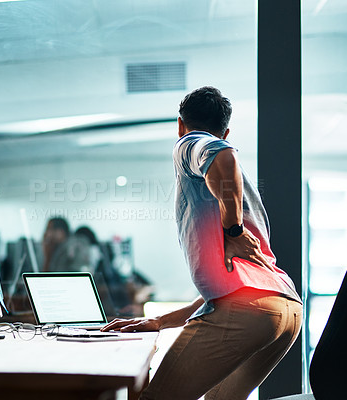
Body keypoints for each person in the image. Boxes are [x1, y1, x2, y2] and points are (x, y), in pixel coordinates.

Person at [102, 86, 303, 400]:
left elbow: (221, 154)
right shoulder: (239, 192)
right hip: (285, 311)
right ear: (225, 128)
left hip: (249, 311)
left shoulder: (189, 144)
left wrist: (233, 231)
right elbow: (232, 290)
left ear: (180, 125)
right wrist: (160, 321)